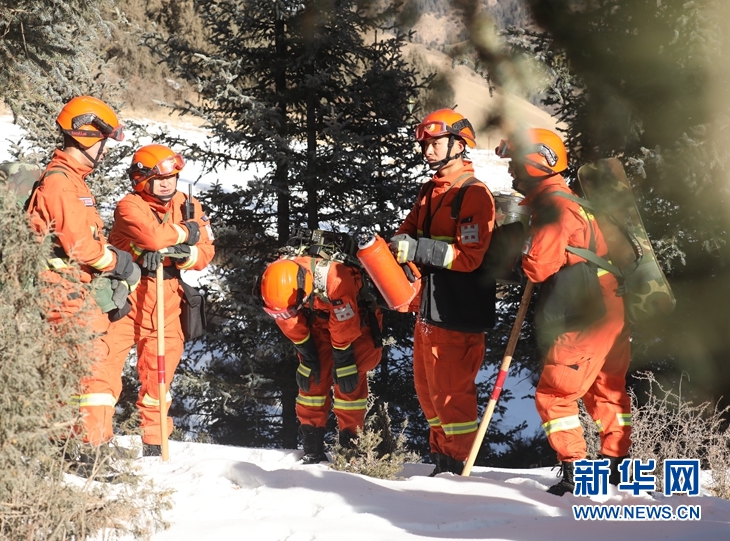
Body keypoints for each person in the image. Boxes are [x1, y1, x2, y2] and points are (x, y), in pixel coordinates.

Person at [497, 128, 631, 496]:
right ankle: (615, 468)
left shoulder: (554, 208)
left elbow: (537, 267)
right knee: (607, 392)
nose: (511, 172)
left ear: (535, 164)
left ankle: (575, 476)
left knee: (555, 395)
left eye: (515, 164)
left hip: (584, 317)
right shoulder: (571, 200)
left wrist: (520, 245)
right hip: (611, 312)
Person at [26, 95, 141, 453]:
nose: (105, 150)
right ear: (89, 137)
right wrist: (118, 263)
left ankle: (77, 445)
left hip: (74, 290)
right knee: (91, 372)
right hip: (65, 293)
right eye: (104, 142)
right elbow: (83, 248)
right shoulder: (61, 184)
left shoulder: (74, 181)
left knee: (74, 371)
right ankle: (90, 453)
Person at [390, 108, 497, 476]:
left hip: (458, 311)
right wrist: (399, 242)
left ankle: (456, 466)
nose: (428, 150)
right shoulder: (430, 191)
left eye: (435, 143)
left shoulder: (474, 194)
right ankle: (441, 459)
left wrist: (417, 249)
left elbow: (468, 257)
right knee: (428, 391)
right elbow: (405, 231)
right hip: (431, 309)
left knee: (452, 395)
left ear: (458, 144)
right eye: (425, 144)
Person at [102, 143, 215, 456]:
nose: (167, 183)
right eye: (159, 177)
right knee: (103, 372)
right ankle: (94, 444)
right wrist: (185, 232)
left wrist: (184, 254)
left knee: (158, 381)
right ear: (141, 180)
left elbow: (206, 251)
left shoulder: (189, 204)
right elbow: (152, 238)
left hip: (168, 301)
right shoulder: (129, 205)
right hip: (126, 299)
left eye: (173, 176)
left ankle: (154, 444)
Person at [260, 256, 383, 464]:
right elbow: (287, 318)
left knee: (350, 379)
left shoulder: (336, 279)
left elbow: (345, 325)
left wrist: (343, 359)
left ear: (304, 288)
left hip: (356, 322)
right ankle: (312, 446)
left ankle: (351, 447)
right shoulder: (278, 283)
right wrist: (306, 353)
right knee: (311, 381)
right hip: (318, 321)